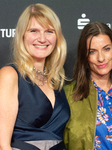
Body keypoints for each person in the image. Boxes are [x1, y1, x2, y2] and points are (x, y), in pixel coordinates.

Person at [63, 21, 112, 150]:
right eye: (92, 52)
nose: (101, 58)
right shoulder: (68, 95)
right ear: (85, 56)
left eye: (106, 49)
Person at [0, 3, 70, 150]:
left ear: (57, 37)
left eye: (49, 31)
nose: (42, 39)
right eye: (34, 31)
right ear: (22, 35)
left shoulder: (55, 80)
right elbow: (2, 145)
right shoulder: (10, 75)